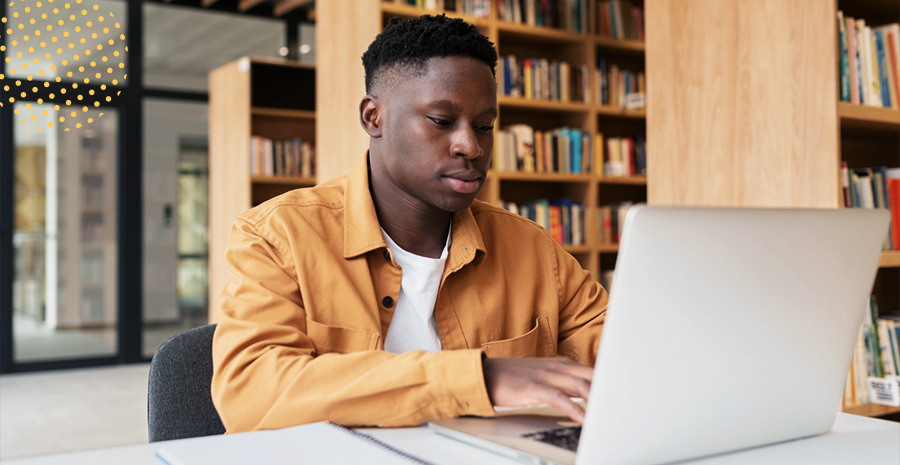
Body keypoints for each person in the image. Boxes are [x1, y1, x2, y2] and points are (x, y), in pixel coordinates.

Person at [211, 14, 608, 433]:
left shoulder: (531, 248)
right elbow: (249, 394)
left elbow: (624, 354)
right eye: (441, 121)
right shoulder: (278, 236)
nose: (470, 146)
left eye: (484, 126)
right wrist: (479, 378)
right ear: (373, 117)